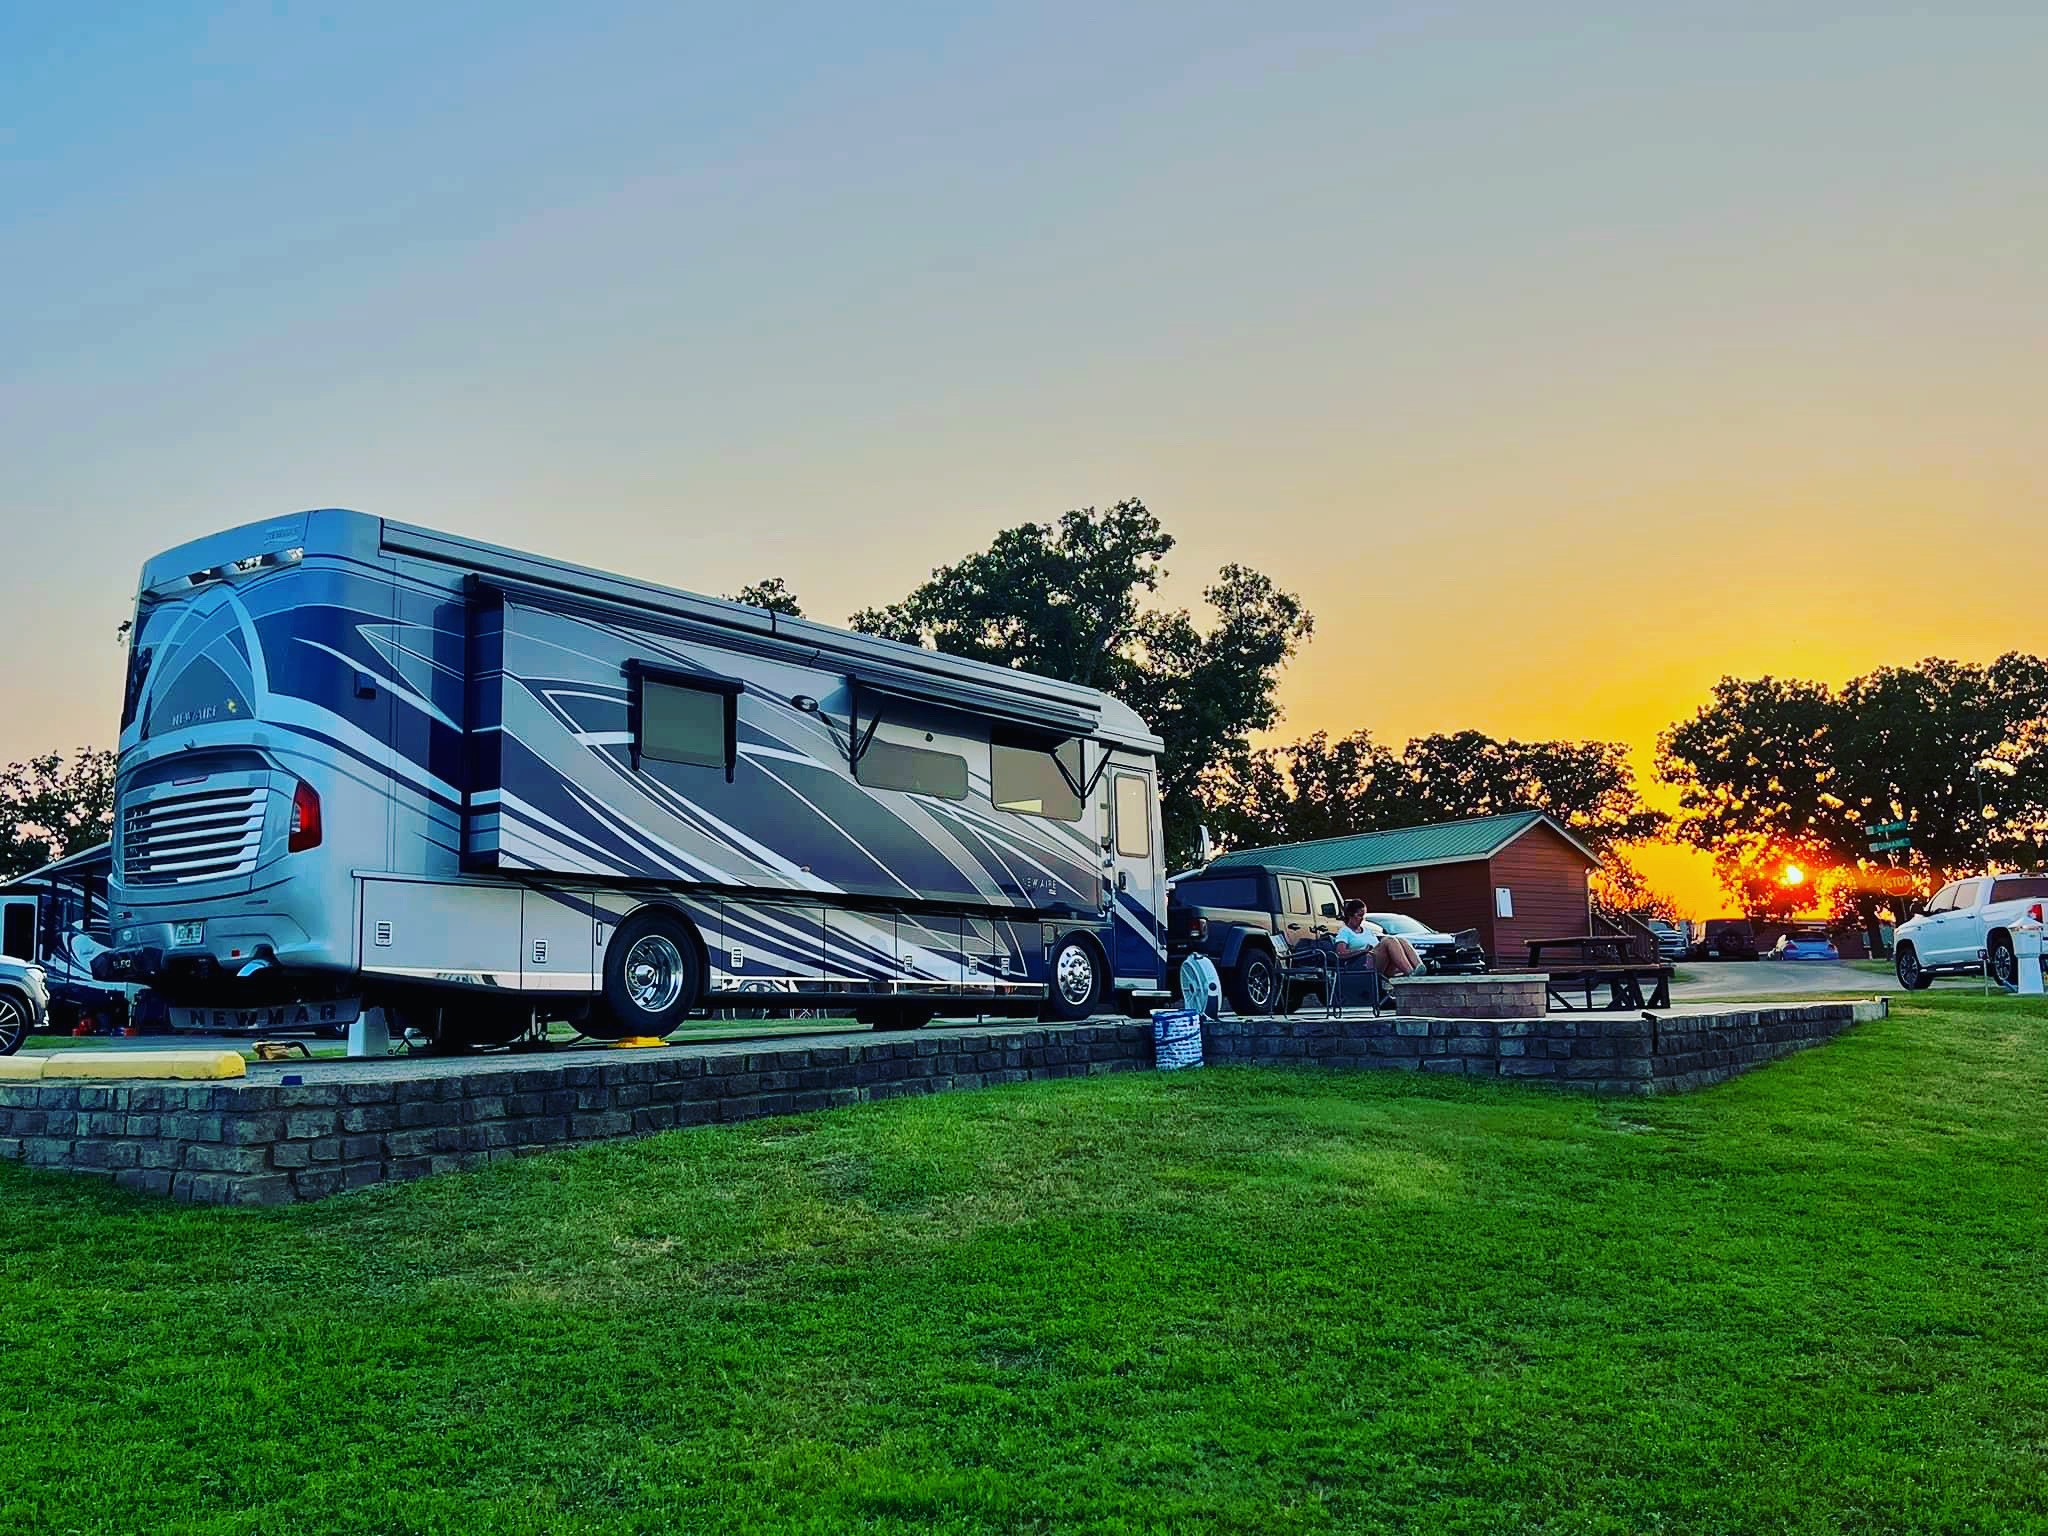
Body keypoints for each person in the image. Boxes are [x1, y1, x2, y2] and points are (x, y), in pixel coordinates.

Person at [1334, 900, 1421, 976]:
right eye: (1359, 915)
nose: (1362, 919)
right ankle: (1409, 972)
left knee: (1401, 940)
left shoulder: (1367, 931)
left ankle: (1418, 966)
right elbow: (1341, 953)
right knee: (1389, 940)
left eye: (1363, 916)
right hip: (1362, 963)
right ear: (1350, 915)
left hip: (1378, 960)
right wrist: (1362, 950)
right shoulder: (1344, 931)